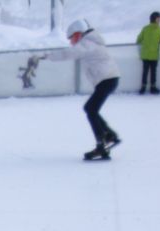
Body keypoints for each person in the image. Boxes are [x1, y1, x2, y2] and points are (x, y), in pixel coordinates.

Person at [42, 19, 120, 161]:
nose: (71, 42)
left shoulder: (87, 43)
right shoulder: (91, 42)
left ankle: (102, 143)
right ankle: (109, 135)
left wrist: (48, 56)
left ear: (78, 34)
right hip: (108, 80)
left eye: (71, 38)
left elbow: (69, 53)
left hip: (107, 80)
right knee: (90, 108)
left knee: (91, 109)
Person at [136, 11, 160, 94]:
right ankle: (144, 87)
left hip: (153, 55)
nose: (159, 20)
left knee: (152, 72)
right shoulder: (147, 28)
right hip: (147, 55)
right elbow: (139, 39)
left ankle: (151, 87)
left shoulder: (159, 29)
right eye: (158, 18)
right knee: (146, 72)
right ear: (154, 19)